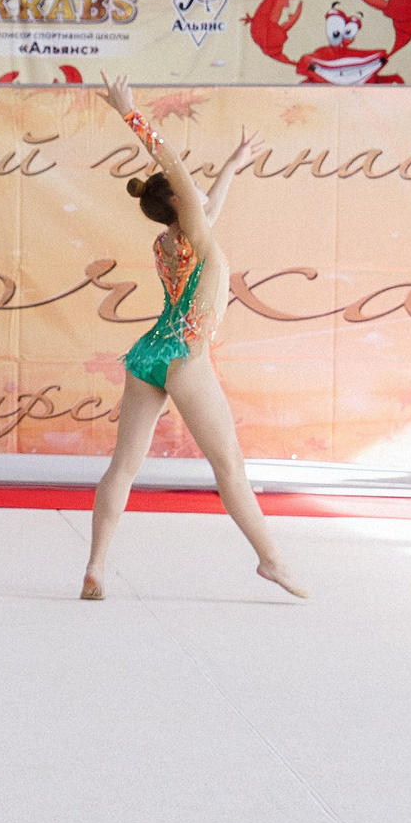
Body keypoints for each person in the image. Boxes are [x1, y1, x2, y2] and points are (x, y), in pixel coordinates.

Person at [84, 79, 306, 602]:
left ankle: (95, 566)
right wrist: (129, 113)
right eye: (192, 190)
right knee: (229, 465)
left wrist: (233, 164)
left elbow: (209, 203)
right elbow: (177, 169)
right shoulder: (196, 235)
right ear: (182, 201)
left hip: (147, 357)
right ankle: (271, 560)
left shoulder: (171, 240)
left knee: (124, 467)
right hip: (184, 357)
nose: (200, 191)